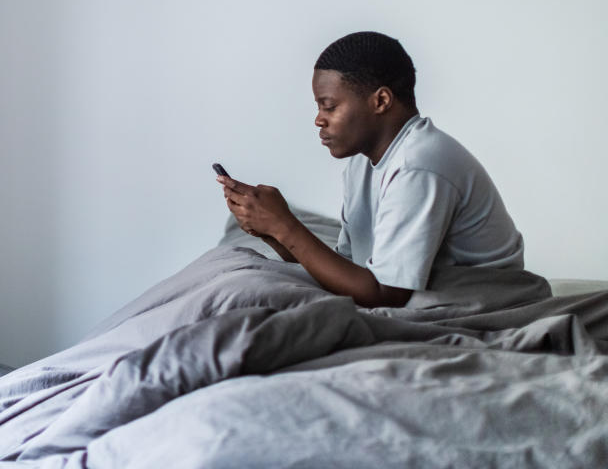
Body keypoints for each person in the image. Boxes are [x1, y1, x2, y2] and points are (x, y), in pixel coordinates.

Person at [217, 31, 524, 308]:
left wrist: (285, 225)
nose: (318, 120)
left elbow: (386, 294)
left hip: (486, 302)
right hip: (413, 294)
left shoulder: (420, 164)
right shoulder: (361, 165)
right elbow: (348, 271)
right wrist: (272, 231)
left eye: (329, 106)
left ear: (381, 100)